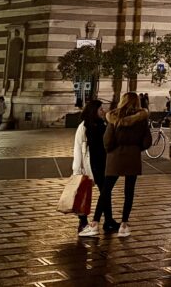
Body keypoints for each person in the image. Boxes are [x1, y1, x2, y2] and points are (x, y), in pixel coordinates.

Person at [105, 93, 150, 237]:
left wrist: (111, 149)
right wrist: (136, 148)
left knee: (106, 189)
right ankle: (124, 224)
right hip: (133, 157)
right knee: (129, 192)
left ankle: (96, 222)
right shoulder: (141, 119)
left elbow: (107, 141)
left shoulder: (114, 117)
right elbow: (147, 141)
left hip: (115, 157)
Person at [72, 99, 114, 237]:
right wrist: (77, 169)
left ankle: (108, 220)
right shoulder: (83, 127)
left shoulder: (103, 124)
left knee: (105, 192)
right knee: (84, 193)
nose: (103, 111)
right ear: (93, 111)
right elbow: (78, 148)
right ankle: (83, 221)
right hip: (90, 164)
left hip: (103, 163)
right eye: (101, 109)